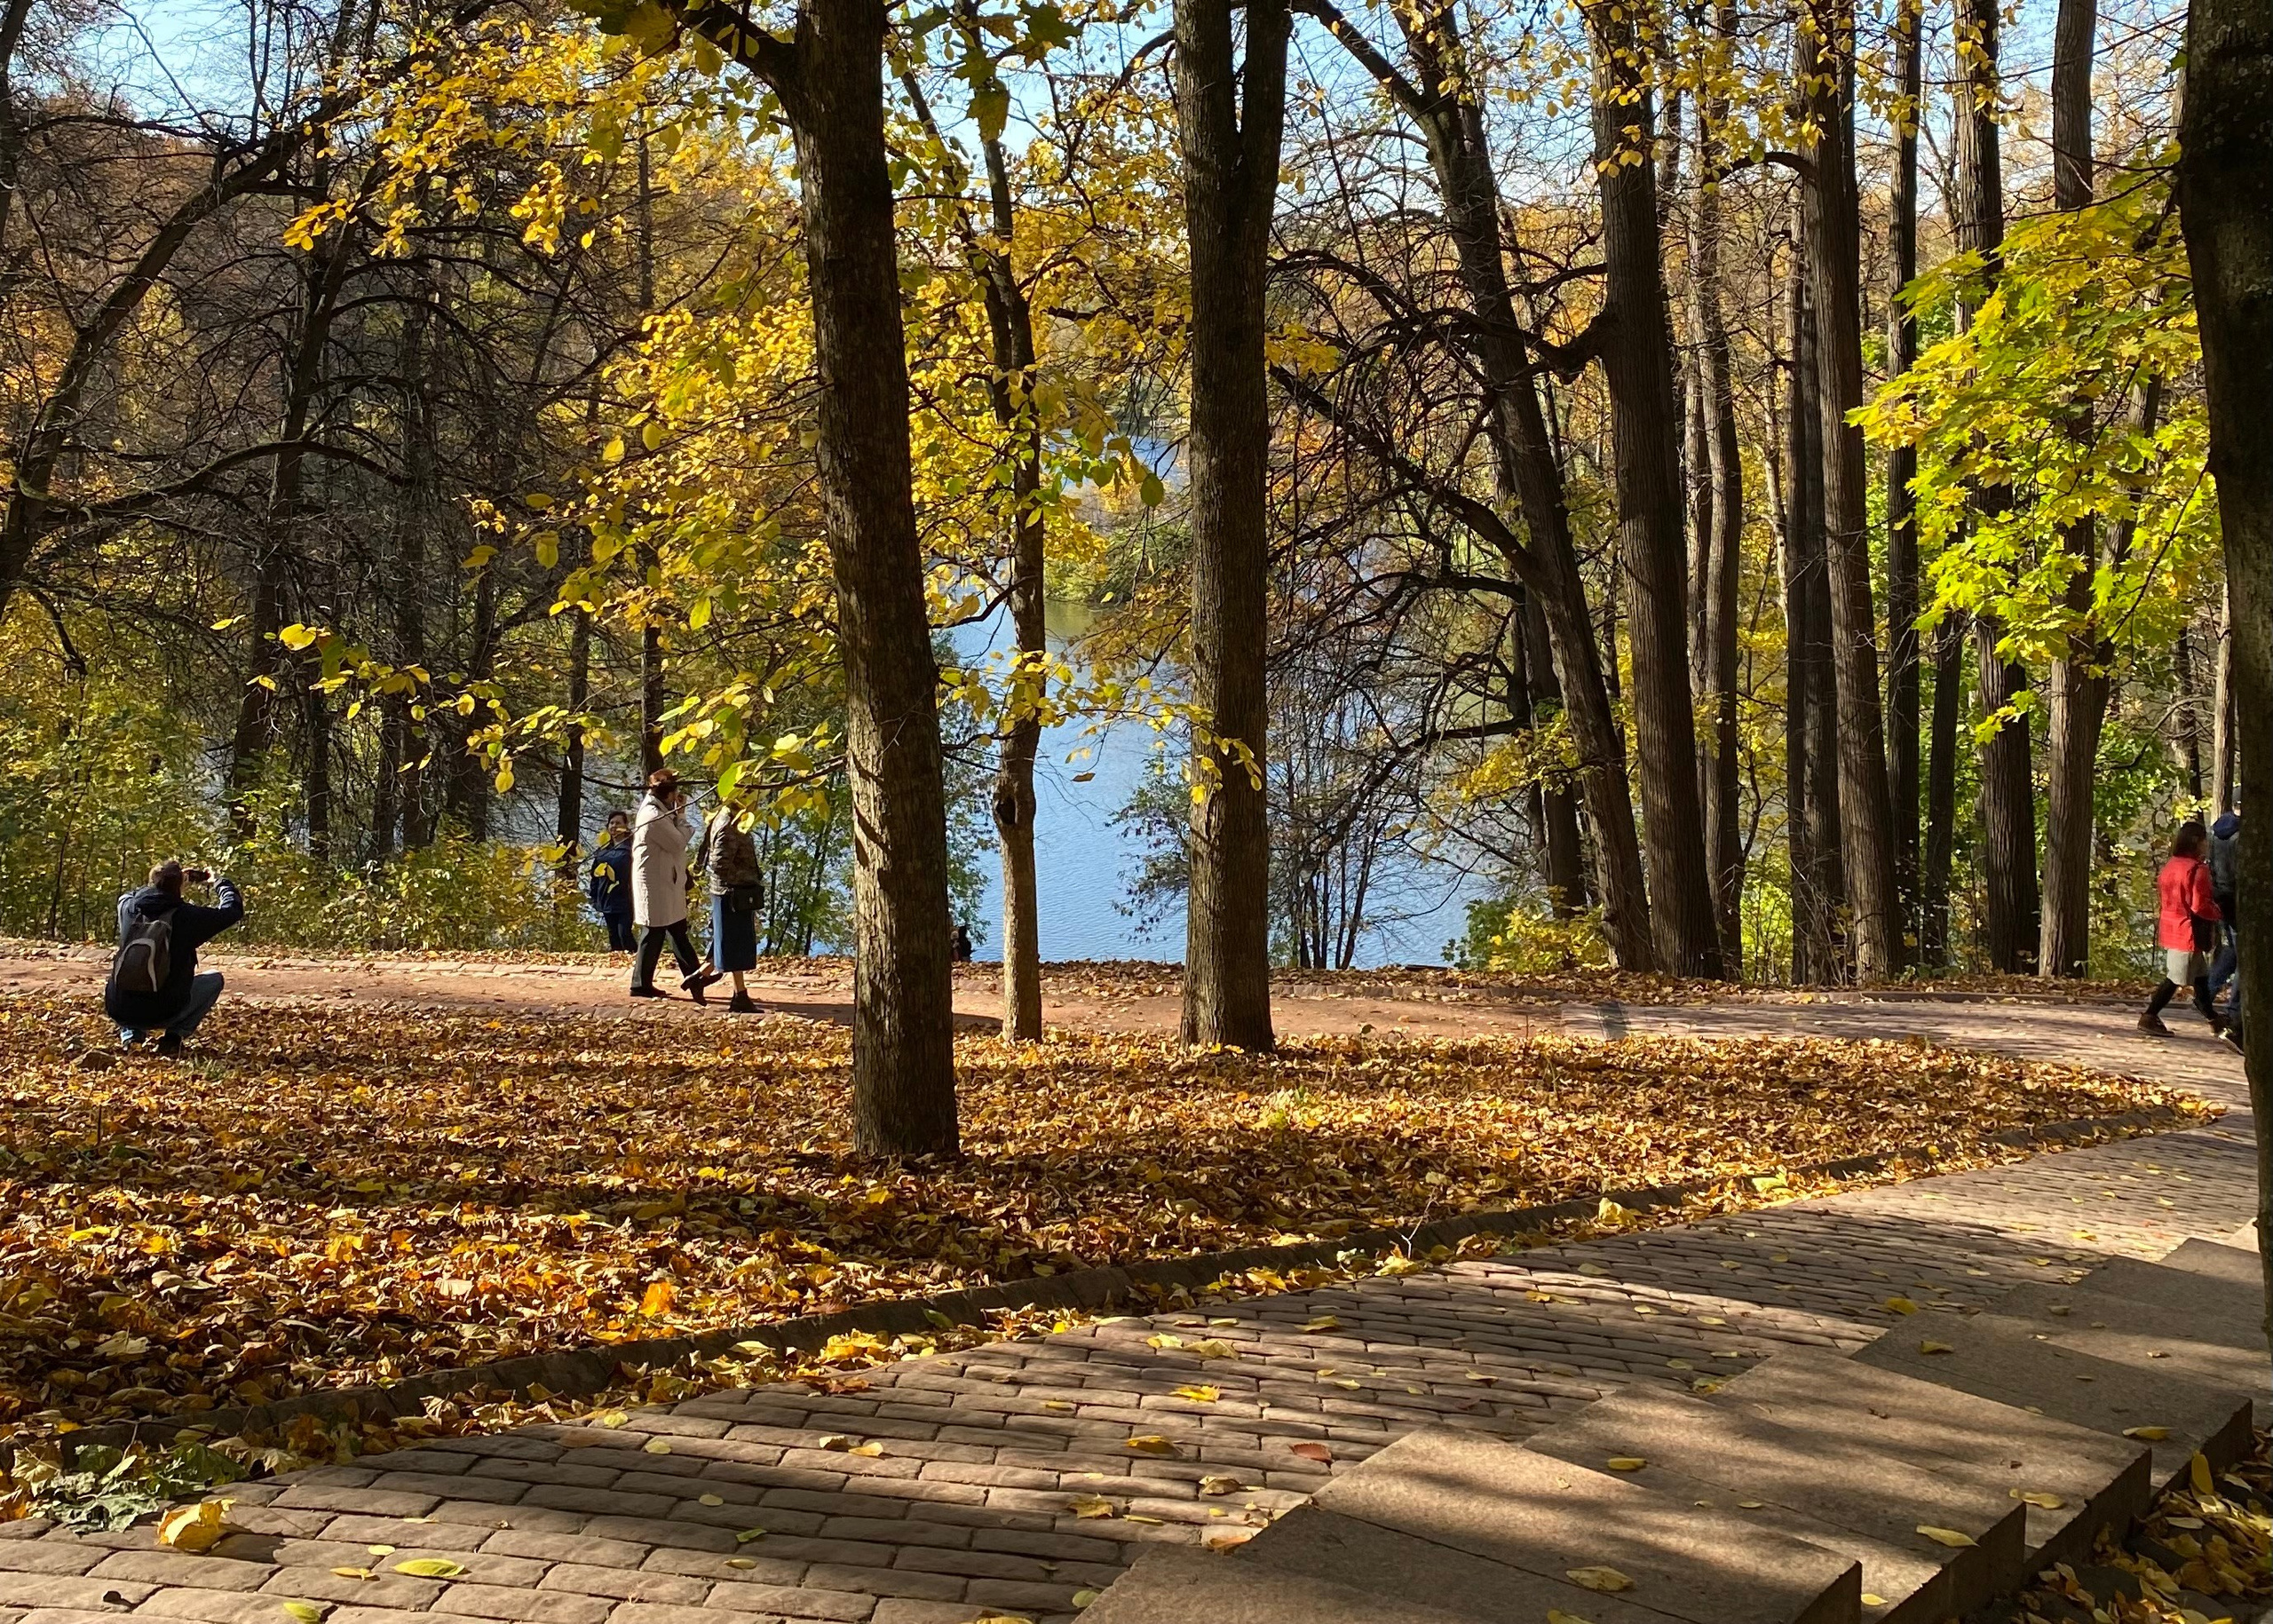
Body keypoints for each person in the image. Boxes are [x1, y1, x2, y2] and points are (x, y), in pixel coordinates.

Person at [107, 861, 244, 1056]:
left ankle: (131, 1036)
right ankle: (173, 1039)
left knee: (130, 970)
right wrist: (218, 882)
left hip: (119, 1008)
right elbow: (232, 911)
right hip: (166, 1010)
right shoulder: (187, 917)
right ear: (180, 883)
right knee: (214, 979)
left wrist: (162, 881)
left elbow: (133, 893)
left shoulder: (128, 906)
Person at [630, 769, 721, 1002]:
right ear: (669, 794)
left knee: (676, 929)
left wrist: (677, 814)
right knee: (654, 931)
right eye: (675, 791)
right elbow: (678, 842)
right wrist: (681, 816)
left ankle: (694, 977)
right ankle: (641, 985)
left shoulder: (660, 810)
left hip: (666, 881)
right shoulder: (652, 816)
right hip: (656, 883)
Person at [2140, 822, 2229, 1039]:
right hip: (2189, 931)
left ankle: (2214, 1019)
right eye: (2205, 840)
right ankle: (2149, 1016)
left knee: (2200, 978)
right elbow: (2199, 905)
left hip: (2172, 927)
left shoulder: (2172, 865)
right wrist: (2219, 913)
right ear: (2197, 842)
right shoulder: (2197, 870)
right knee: (2174, 978)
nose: (2207, 844)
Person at [694, 800, 764, 1014]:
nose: (757, 802)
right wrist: (747, 880)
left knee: (731, 943)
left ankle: (703, 978)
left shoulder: (731, 818)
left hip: (732, 893)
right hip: (732, 894)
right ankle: (738, 996)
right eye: (753, 796)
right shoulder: (728, 825)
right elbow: (719, 864)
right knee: (734, 945)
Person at [587, 811, 636, 953]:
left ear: (626, 826)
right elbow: (595, 875)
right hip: (606, 898)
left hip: (626, 898)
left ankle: (639, 959)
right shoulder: (603, 850)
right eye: (611, 823)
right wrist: (594, 897)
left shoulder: (632, 848)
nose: (614, 826)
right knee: (613, 936)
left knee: (624, 934)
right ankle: (618, 962)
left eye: (618, 823)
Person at [2208, 810, 2241, 999]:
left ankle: (2208, 992)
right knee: (2244, 954)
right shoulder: (2240, 836)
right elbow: (2239, 871)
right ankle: (2235, 1006)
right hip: (2236, 899)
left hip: (2220, 896)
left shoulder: (2214, 834)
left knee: (2233, 950)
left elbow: (2210, 864)